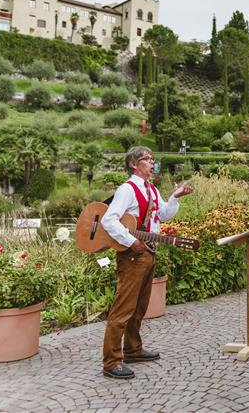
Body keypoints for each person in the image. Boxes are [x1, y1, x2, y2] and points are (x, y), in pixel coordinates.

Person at [100, 146, 193, 379]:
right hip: (132, 255)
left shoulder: (151, 189)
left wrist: (174, 197)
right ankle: (111, 362)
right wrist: (131, 241)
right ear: (134, 164)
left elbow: (162, 215)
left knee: (140, 306)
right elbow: (108, 221)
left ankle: (132, 349)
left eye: (153, 159)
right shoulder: (127, 189)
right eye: (147, 159)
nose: (152, 162)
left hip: (149, 251)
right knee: (123, 308)